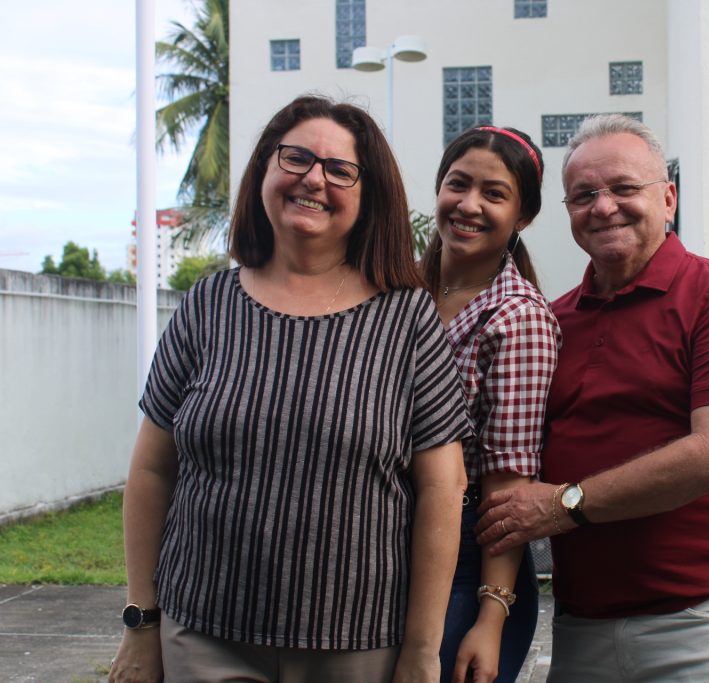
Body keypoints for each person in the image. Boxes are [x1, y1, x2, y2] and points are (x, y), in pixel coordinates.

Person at [109, 95, 473, 683]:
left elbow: (442, 489)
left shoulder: (406, 318)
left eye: (340, 169)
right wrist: (141, 621)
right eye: (296, 158)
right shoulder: (208, 304)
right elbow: (151, 471)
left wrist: (421, 649)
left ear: (368, 195)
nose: (314, 179)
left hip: (358, 644)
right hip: (201, 635)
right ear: (264, 170)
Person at [475, 114, 709, 682]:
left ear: (668, 198)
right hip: (582, 618)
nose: (603, 206)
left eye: (623, 187)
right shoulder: (553, 320)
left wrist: (564, 504)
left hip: (701, 617)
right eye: (583, 195)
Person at [421, 126, 561, 683]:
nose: (469, 205)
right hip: (395, 545)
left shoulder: (516, 317)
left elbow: (507, 488)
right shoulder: (402, 293)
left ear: (522, 217)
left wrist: (491, 616)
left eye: (494, 194)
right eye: (458, 184)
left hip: (468, 560)